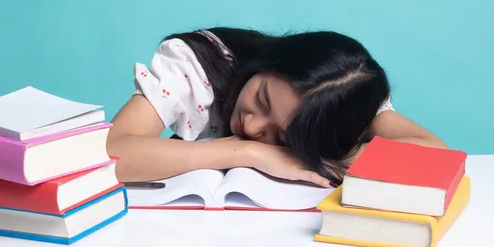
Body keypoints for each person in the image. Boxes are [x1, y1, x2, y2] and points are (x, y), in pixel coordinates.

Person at [107, 27, 447, 188]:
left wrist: (316, 154)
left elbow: (437, 158)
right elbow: (109, 153)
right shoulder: (196, 68)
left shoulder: (341, 103)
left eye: (281, 135)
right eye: (261, 99)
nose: (254, 127)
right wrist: (248, 153)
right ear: (268, 62)